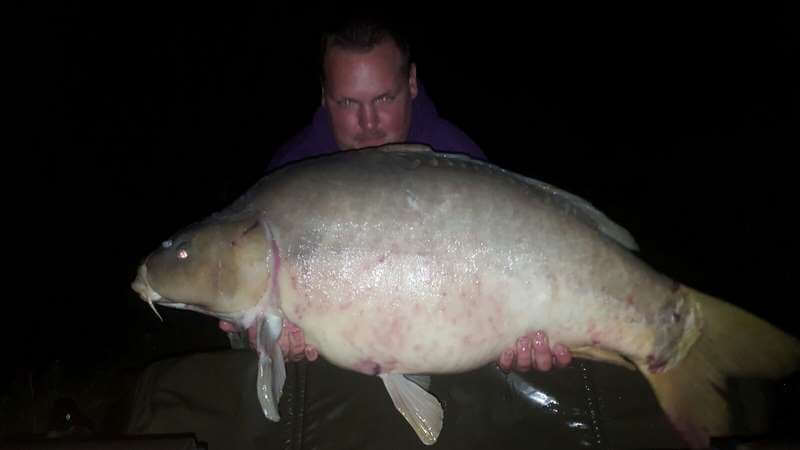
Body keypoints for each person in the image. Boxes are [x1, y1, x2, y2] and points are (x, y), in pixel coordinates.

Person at [219, 15, 572, 373]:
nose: (369, 124)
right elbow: (249, 306)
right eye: (348, 103)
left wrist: (513, 347)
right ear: (324, 96)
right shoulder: (290, 175)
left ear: (412, 82)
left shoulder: (457, 158)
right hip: (337, 369)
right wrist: (263, 339)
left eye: (384, 98)